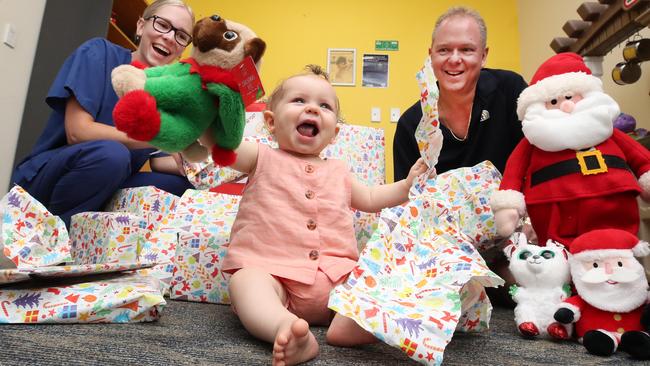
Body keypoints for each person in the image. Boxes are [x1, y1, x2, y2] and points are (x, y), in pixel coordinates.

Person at [221, 65, 427, 366]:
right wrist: (209, 117)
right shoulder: (259, 156)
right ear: (271, 122)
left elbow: (370, 198)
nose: (313, 109)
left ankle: (350, 322)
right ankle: (284, 328)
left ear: (334, 134)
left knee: (378, 281)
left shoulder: (339, 170)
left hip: (336, 276)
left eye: (325, 106)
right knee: (246, 284)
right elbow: (225, 149)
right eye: (299, 101)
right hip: (272, 272)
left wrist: (407, 186)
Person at [11, 0, 195, 227]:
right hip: (50, 181)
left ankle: (94, 235)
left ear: (182, 50)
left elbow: (159, 162)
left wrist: (196, 164)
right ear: (140, 26)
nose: (169, 37)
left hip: (108, 181)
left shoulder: (165, 97)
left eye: (181, 36)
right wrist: (156, 136)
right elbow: (77, 132)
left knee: (184, 187)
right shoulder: (99, 53)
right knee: (113, 155)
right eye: (163, 25)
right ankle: (56, 239)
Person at [393, 6, 527, 181]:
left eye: (466, 49)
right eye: (444, 50)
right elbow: (406, 200)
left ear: (483, 56)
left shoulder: (510, 91)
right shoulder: (410, 125)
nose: (454, 59)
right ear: (431, 56)